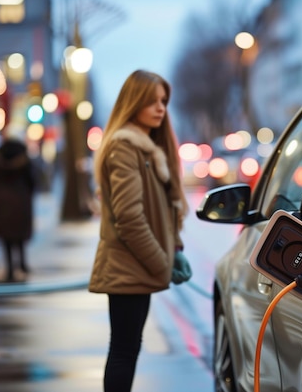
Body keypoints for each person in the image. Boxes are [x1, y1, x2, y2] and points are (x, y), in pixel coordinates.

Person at [88, 69, 189, 392]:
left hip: (136, 265)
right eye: (152, 101)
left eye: (164, 101)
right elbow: (129, 219)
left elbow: (162, 211)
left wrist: (174, 250)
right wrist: (162, 263)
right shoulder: (125, 148)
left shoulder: (147, 148)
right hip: (128, 265)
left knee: (127, 348)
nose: (161, 108)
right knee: (124, 349)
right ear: (134, 102)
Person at [0, 138, 35, 281]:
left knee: (5, 237)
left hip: (2, 201)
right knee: (20, 235)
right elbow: (32, 181)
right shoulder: (25, 162)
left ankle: (9, 268)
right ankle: (22, 263)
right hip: (21, 200)